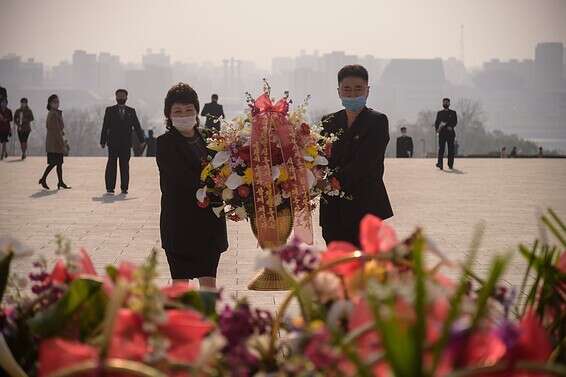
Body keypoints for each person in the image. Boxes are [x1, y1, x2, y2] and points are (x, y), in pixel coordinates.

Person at [156, 83, 228, 289]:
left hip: (209, 225)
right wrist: (215, 182)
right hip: (179, 225)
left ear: (197, 111)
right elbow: (181, 177)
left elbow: (224, 169)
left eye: (189, 110)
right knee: (180, 288)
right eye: (177, 111)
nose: (184, 115)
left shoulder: (209, 139)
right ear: (168, 115)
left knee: (209, 284)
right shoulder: (164, 143)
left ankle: (208, 321)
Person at [320, 65, 393, 247]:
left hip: (365, 204)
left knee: (364, 267)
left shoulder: (377, 121)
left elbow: (366, 161)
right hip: (333, 207)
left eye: (358, 89)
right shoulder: (328, 121)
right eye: (347, 89)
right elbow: (320, 157)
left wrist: (336, 180)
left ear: (368, 90)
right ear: (339, 92)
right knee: (336, 264)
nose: (352, 94)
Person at [100, 89, 145, 194]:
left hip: (126, 143)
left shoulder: (131, 111)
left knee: (124, 165)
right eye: (119, 96)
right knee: (111, 165)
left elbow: (137, 126)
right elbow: (105, 126)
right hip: (113, 143)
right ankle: (110, 188)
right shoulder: (109, 110)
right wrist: (103, 140)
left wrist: (142, 140)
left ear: (126, 98)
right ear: (115, 97)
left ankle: (124, 188)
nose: (121, 98)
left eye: (123, 96)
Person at [38, 95, 70, 190]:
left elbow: (59, 129)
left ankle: (60, 182)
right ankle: (43, 179)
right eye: (54, 102)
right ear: (50, 103)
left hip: (55, 142)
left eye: (58, 101)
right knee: (53, 163)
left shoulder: (56, 113)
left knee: (59, 163)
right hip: (54, 143)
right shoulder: (53, 114)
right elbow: (56, 131)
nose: (57, 103)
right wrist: (63, 145)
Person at [434, 97, 458, 170]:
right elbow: (436, 123)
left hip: (450, 133)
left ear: (449, 103)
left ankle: (450, 164)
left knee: (451, 149)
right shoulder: (439, 113)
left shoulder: (453, 113)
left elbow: (455, 122)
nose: (445, 103)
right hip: (442, 134)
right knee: (441, 149)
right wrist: (437, 129)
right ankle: (440, 164)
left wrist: (451, 126)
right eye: (444, 102)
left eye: (447, 102)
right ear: (442, 103)